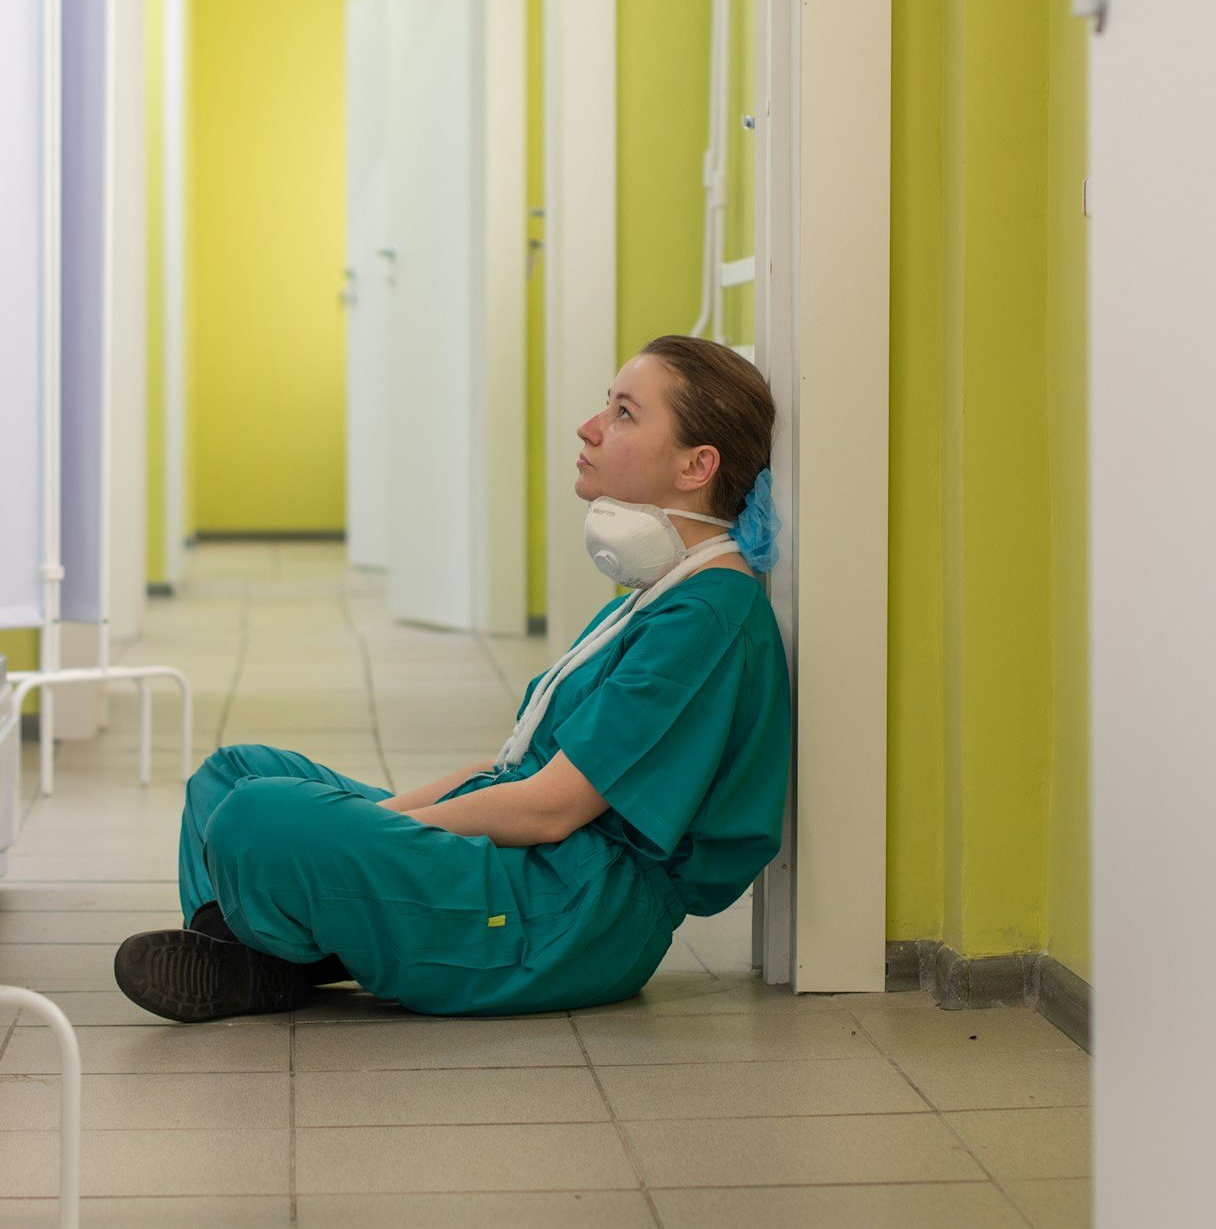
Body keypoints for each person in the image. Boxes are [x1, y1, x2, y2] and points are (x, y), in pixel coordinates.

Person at [112, 334, 791, 1021]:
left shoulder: (706, 618)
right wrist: (369, 832)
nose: (589, 427)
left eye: (623, 412)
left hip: (565, 916)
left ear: (696, 464)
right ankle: (276, 958)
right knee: (230, 776)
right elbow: (513, 767)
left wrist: (377, 840)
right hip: (533, 871)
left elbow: (548, 808)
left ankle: (262, 954)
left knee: (256, 819)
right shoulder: (662, 593)